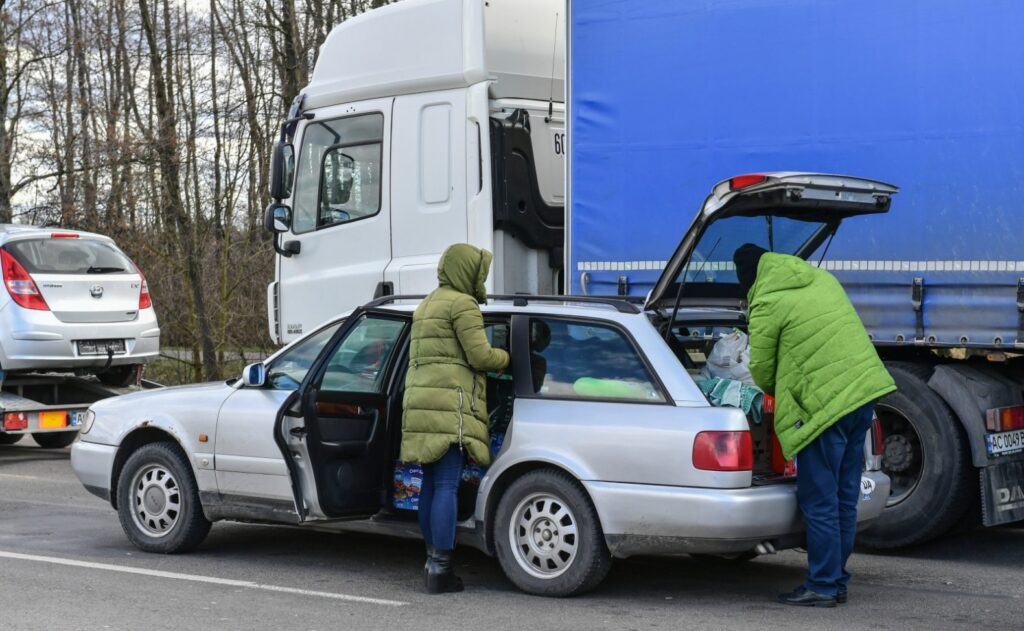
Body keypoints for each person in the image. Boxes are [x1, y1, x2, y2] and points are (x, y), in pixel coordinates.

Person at [733, 243, 896, 608]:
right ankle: (835, 580)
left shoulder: (767, 301)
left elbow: (760, 369)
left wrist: (781, 393)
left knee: (818, 500)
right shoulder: (822, 279)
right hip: (862, 396)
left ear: (749, 279)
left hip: (823, 407)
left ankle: (823, 585)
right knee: (843, 496)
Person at [401, 243, 510, 594]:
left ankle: (431, 563)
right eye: (479, 271)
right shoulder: (462, 304)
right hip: (449, 403)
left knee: (430, 484)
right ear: (467, 271)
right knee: (447, 484)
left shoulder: (427, 303)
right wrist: (508, 358)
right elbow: (479, 356)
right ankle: (441, 569)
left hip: (420, 401)